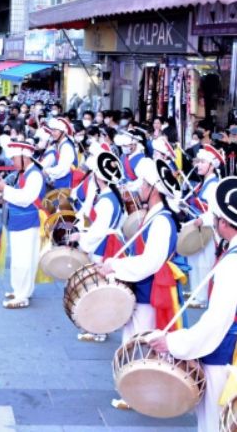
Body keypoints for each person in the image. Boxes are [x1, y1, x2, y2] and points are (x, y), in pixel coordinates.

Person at [148, 175, 237, 432]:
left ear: (224, 223)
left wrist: (173, 343)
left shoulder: (232, 263)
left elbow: (217, 322)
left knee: (214, 423)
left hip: (225, 356)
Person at [97, 157, 183, 410]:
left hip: (151, 290)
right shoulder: (154, 216)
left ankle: (140, 394)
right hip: (145, 287)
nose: (140, 188)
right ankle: (134, 391)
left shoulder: (162, 221)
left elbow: (150, 263)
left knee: (143, 342)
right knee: (135, 339)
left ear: (154, 189)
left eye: (144, 184)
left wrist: (116, 266)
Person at [67, 148, 125, 342]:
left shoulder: (106, 201)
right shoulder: (113, 197)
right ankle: (99, 328)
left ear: (99, 178)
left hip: (103, 245)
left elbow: (98, 231)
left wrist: (81, 239)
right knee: (102, 285)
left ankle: (99, 329)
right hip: (110, 241)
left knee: (98, 287)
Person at [0, 142, 45, 309]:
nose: (12, 162)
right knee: (23, 258)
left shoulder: (34, 175)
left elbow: (25, 199)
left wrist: (4, 189)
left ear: (25, 157)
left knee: (23, 260)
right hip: (20, 220)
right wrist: (3, 193)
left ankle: (22, 296)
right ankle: (22, 290)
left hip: (27, 221)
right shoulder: (25, 173)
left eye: (14, 158)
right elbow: (20, 195)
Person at [185, 144, 224, 309]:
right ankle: (195, 291)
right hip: (199, 228)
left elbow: (214, 212)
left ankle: (202, 298)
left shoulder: (213, 185)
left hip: (208, 230)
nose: (198, 165)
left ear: (211, 166)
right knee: (194, 260)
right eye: (198, 161)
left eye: (202, 162)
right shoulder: (202, 183)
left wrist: (203, 219)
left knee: (203, 263)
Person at [44, 117, 78, 189]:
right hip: (61, 181)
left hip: (67, 183)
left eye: (55, 131)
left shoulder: (66, 147)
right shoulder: (60, 144)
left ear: (63, 133)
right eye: (52, 130)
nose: (52, 133)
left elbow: (62, 169)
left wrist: (47, 171)